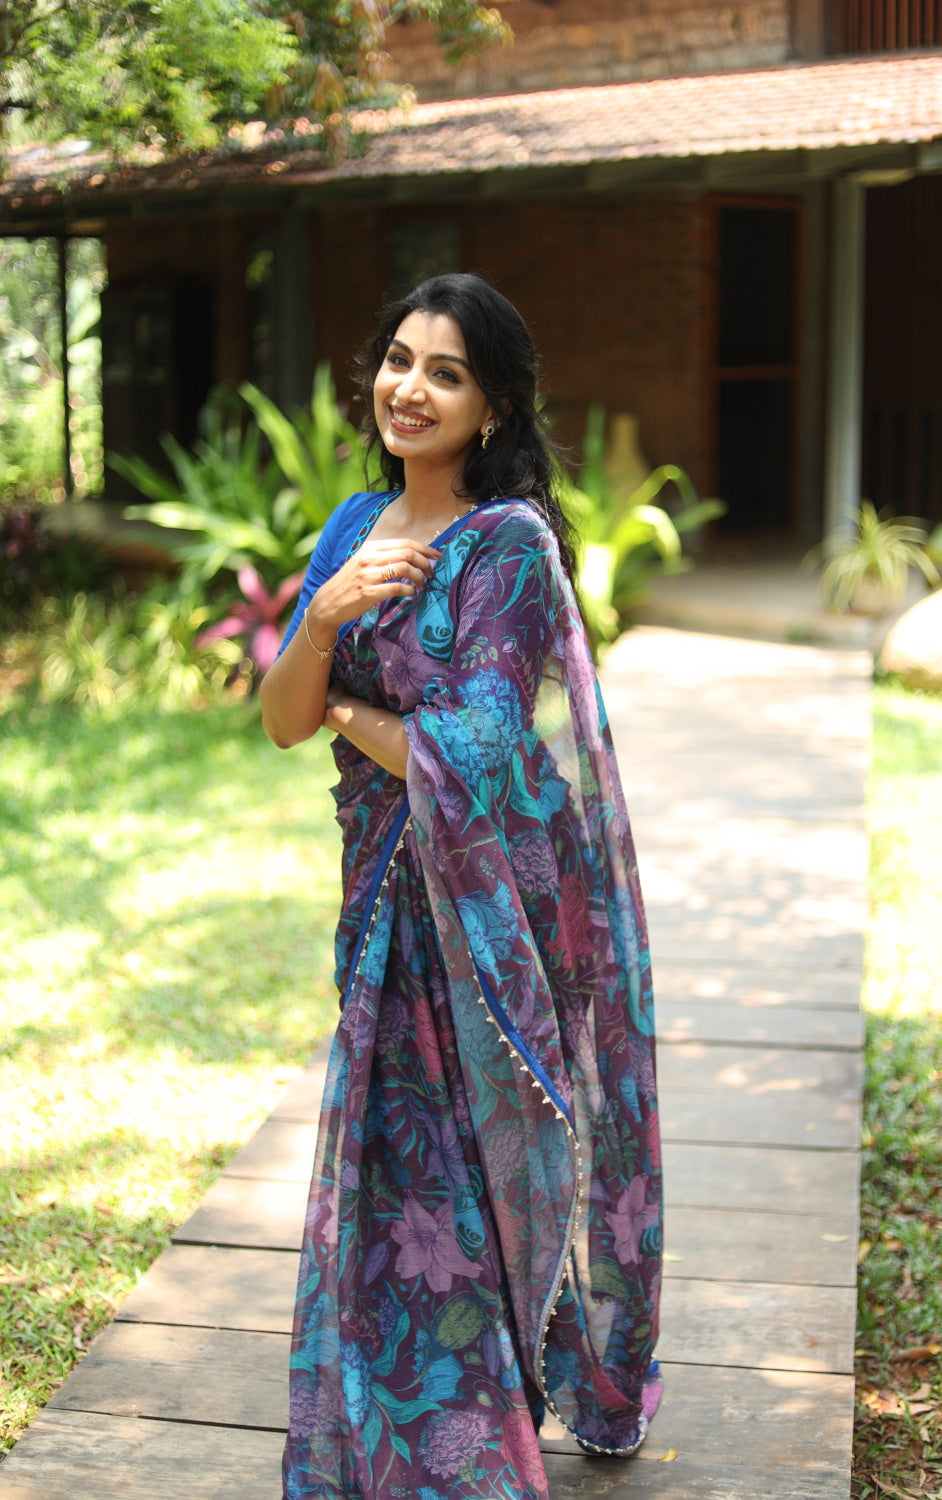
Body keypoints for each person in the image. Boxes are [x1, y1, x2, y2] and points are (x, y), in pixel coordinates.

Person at [260, 272, 662, 1500]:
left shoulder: (509, 545)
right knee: (397, 1148)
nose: (411, 388)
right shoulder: (350, 526)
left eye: (446, 372)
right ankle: (393, 1405)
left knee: (487, 1140)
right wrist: (322, 624)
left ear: (493, 407)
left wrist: (344, 706)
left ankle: (480, 1422)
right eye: (398, 360)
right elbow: (279, 719)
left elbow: (479, 750)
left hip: (490, 900)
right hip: (381, 888)